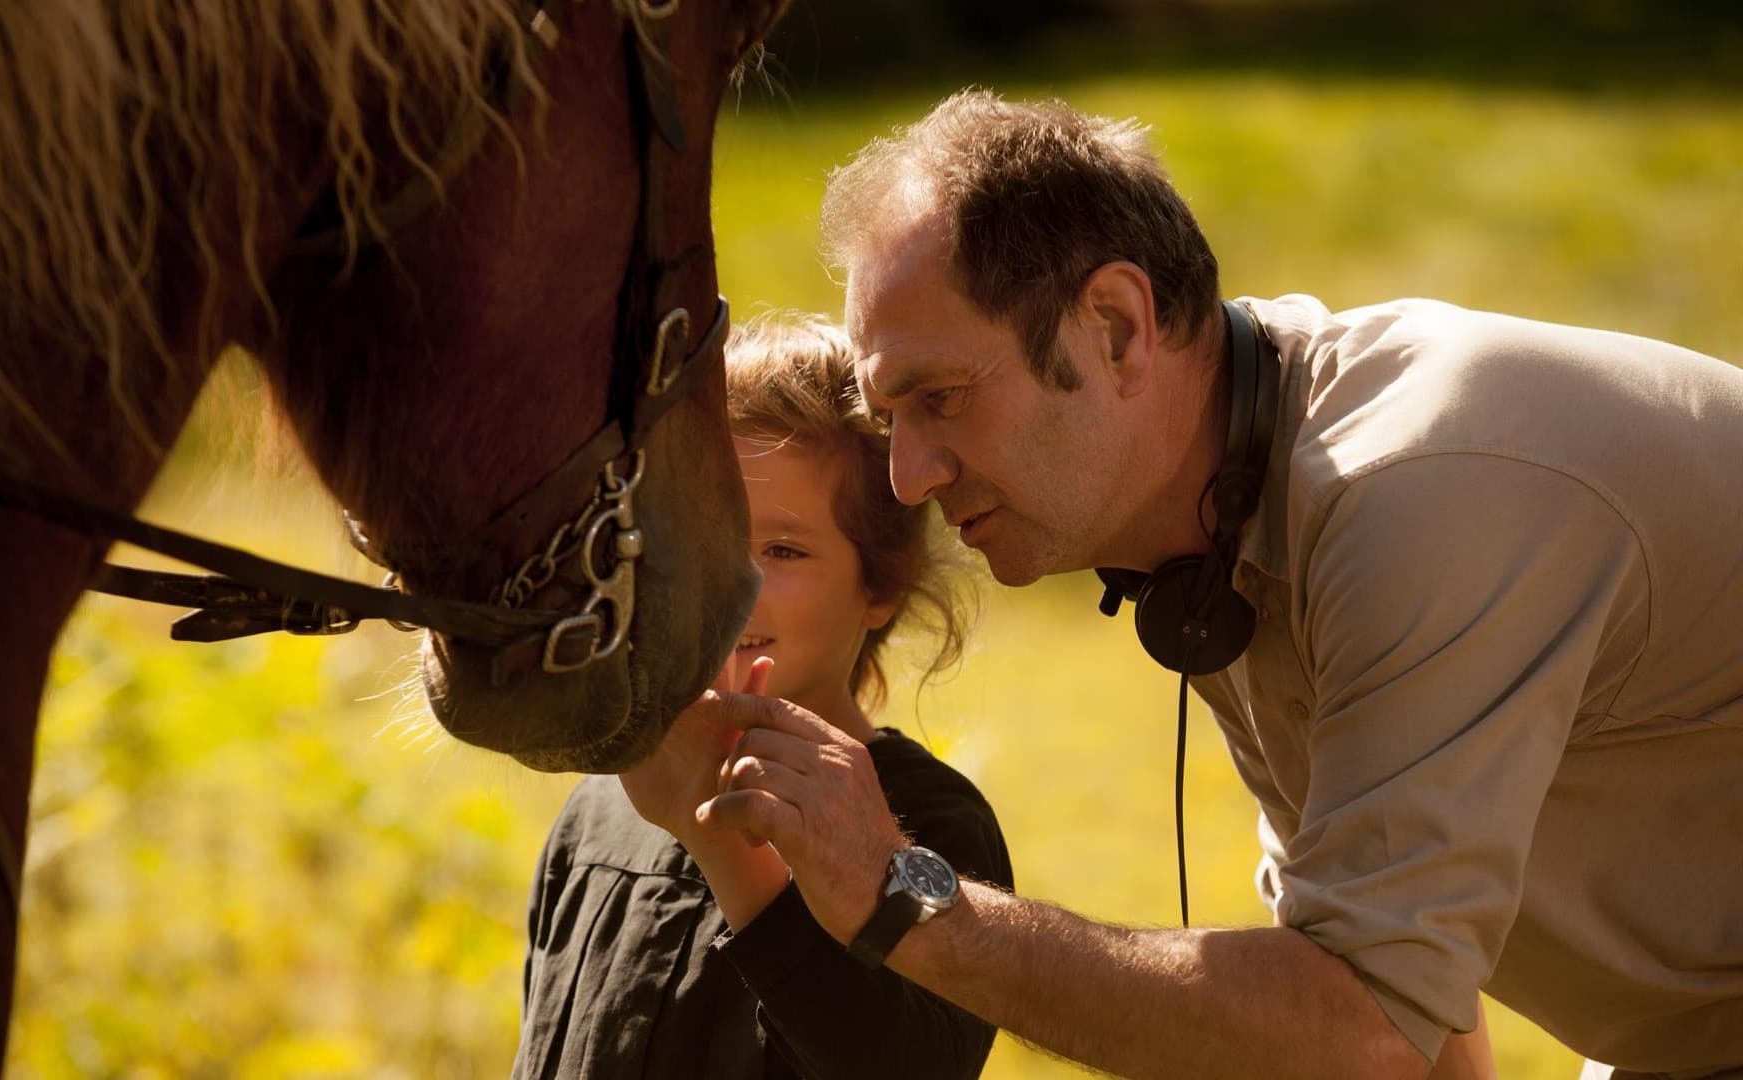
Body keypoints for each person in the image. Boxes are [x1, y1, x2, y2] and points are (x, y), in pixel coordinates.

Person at [689, 90, 1743, 1080]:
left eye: (941, 398)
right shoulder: (1221, 516)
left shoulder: (1412, 494)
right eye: (890, 419)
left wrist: (903, 900)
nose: (909, 475)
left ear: (1115, 326)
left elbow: (1358, 1024)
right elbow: (1388, 999)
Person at [514, 316, 1013, 1079]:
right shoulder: (599, 811)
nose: (726, 584)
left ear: (880, 584)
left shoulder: (933, 826)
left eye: (782, 550)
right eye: (698, 533)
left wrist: (724, 846)